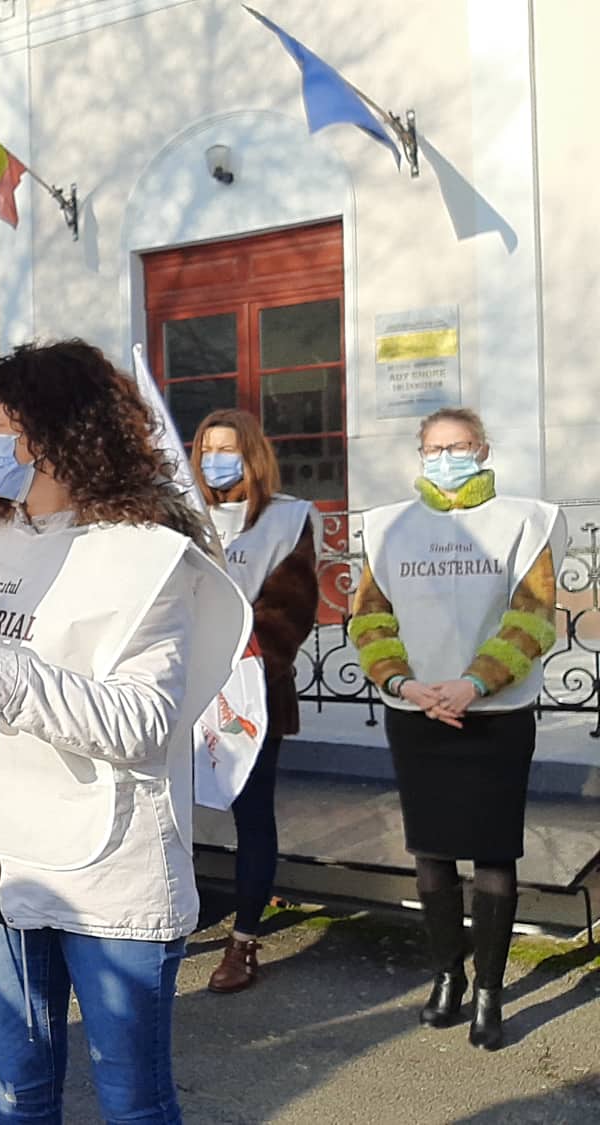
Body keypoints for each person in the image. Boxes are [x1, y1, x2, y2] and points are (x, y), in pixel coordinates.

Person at [0, 340, 247, 1124]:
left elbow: (143, 721)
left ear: (49, 436)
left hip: (108, 874)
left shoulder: (147, 558)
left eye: (0, 423)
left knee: (133, 1102)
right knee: (17, 1093)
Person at [350, 407, 565, 1052]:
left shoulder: (524, 522)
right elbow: (368, 620)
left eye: (459, 446)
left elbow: (533, 616)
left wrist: (474, 683)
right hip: (418, 713)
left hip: (493, 713)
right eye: (434, 448)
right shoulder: (388, 526)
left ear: (483, 449)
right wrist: (401, 683)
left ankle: (492, 991)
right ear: (419, 455)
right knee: (432, 853)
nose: (446, 457)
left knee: (494, 855)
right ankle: (447, 975)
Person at [192, 410, 321, 994]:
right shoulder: (178, 516)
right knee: (168, 811)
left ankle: (244, 941)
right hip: (179, 688)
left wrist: (240, 664)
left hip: (251, 689)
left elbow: (290, 609)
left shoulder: (286, 519)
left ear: (253, 456)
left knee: (251, 814)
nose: (217, 460)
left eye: (229, 449)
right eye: (207, 449)